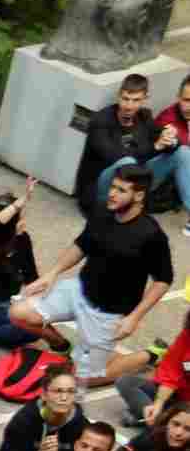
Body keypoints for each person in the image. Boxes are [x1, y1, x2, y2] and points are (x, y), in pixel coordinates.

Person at [16, 164, 175, 388]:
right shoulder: (102, 212)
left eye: (121, 190)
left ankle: (150, 354)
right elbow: (81, 246)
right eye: (113, 186)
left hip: (108, 313)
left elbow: (163, 280)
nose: (112, 193)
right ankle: (62, 346)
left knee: (80, 380)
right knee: (19, 313)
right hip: (78, 291)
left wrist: (134, 317)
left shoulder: (151, 235)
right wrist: (52, 274)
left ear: (139, 196)